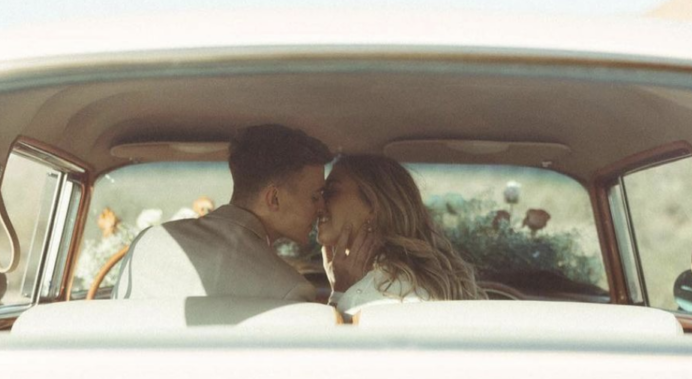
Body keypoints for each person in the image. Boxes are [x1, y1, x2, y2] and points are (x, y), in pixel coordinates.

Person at [114, 125, 332, 301]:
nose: (322, 208)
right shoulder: (289, 290)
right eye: (315, 196)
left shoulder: (147, 242)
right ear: (274, 199)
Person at [317, 154, 484, 317]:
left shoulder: (368, 298)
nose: (319, 204)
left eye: (331, 191)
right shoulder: (409, 279)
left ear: (374, 206)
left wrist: (340, 296)